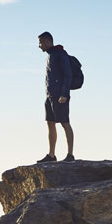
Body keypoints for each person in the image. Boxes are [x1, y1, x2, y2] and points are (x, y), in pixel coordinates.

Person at [37, 31, 75, 162]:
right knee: (50, 123)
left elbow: (68, 74)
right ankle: (51, 155)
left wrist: (64, 94)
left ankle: (70, 155)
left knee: (65, 123)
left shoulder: (60, 54)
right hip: (50, 95)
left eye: (41, 43)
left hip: (60, 95)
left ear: (48, 41)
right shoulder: (51, 55)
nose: (39, 46)